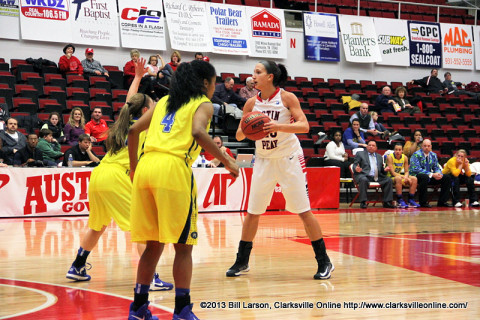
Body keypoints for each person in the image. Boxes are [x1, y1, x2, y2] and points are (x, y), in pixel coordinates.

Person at [126, 59, 239, 320]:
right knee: (183, 246)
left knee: (152, 246)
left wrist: (133, 170)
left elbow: (132, 131)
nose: (214, 87)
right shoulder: (203, 103)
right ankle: (182, 310)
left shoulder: (163, 101)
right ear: (205, 83)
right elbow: (198, 133)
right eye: (214, 82)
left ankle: (139, 309)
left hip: (145, 168)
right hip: (173, 170)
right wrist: (227, 160)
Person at [66, 58, 173, 293]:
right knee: (142, 228)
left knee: (97, 225)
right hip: (115, 177)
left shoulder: (123, 121)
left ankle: (78, 266)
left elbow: (129, 102)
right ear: (146, 111)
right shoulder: (146, 127)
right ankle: (150, 278)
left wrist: (137, 77)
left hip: (99, 174)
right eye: (152, 104)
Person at [226, 60, 333, 282]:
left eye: (258, 72)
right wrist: (250, 128)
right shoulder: (251, 103)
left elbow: (304, 126)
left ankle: (324, 261)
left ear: (270, 77)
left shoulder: (287, 98)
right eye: (253, 72)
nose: (253, 76)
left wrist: (276, 126)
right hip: (264, 160)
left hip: (289, 159)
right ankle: (242, 260)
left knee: (303, 211)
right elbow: (238, 135)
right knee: (253, 212)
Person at [409, 139, 451, 207]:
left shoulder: (433, 155)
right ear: (422, 146)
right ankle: (423, 202)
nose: (426, 147)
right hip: (417, 176)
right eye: (425, 146)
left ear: (431, 146)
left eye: (428, 146)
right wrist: (431, 174)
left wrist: (438, 174)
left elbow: (436, 167)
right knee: (424, 177)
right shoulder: (416, 155)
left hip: (429, 176)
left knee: (446, 178)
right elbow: (416, 169)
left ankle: (442, 202)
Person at [353, 140, 394, 209]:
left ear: (376, 148)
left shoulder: (379, 157)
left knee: (388, 180)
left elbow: (381, 170)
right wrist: (356, 168)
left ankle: (387, 202)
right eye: (369, 145)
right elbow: (355, 164)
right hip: (365, 175)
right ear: (367, 147)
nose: (371, 147)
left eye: (373, 145)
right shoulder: (360, 154)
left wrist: (385, 170)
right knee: (363, 179)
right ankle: (363, 202)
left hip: (377, 176)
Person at [386, 143, 420, 208]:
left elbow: (406, 171)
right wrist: (404, 177)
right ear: (394, 150)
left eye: (399, 150)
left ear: (402, 151)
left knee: (414, 178)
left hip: (400, 176)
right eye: (396, 150)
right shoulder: (390, 157)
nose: (398, 151)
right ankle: (399, 199)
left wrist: (406, 177)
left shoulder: (405, 157)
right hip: (390, 177)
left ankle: (411, 199)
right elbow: (393, 173)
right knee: (398, 178)